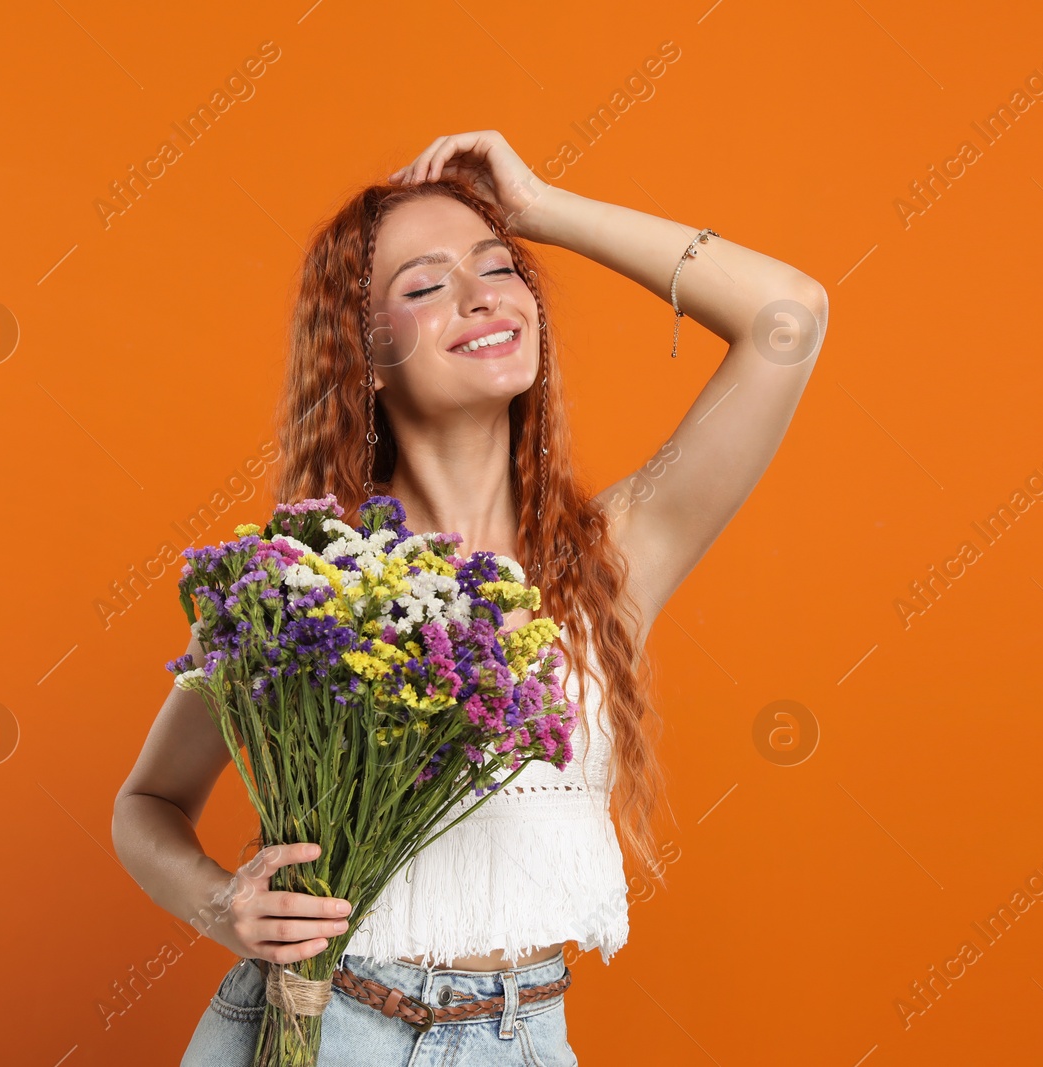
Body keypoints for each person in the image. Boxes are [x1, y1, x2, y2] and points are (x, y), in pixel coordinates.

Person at [111, 129, 829, 1066]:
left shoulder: (609, 559)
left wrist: (539, 209)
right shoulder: (306, 580)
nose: (482, 294)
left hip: (520, 1036)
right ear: (363, 355)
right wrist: (223, 903)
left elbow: (789, 315)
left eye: (500, 268)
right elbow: (148, 802)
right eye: (423, 286)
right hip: (327, 1028)